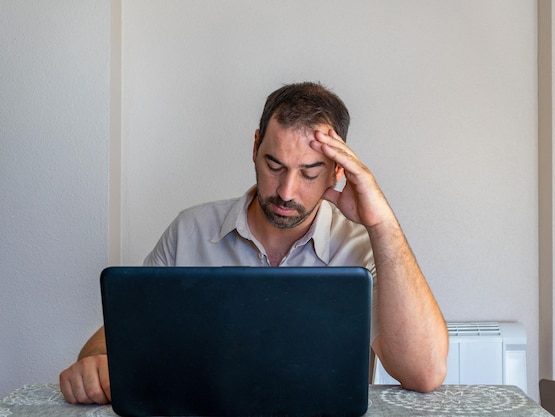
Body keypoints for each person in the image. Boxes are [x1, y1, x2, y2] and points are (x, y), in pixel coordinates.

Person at [59, 82, 449, 405]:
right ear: (255, 146)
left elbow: (424, 372)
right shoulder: (190, 231)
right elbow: (114, 339)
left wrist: (381, 223)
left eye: (309, 173)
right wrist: (95, 363)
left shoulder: (364, 248)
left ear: (337, 171)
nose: (286, 190)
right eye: (273, 165)